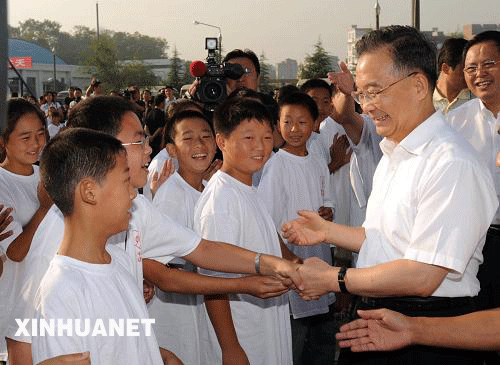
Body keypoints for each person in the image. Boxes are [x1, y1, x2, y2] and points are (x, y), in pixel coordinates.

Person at [8, 96, 301, 364]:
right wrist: (243, 283)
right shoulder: (57, 244)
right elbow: (23, 338)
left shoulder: (135, 210)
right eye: (138, 140)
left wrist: (150, 351)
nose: (150, 148)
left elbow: (201, 250)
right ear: (101, 149)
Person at [281, 25, 498, 365]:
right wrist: (327, 232)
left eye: (374, 92)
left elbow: (424, 275)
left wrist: (333, 279)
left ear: (417, 86)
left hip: (428, 330)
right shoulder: (395, 153)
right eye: (363, 95)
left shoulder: (452, 163)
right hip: (379, 315)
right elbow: (387, 239)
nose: (367, 106)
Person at [149, 109, 288, 364]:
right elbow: (186, 269)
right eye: (188, 139)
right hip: (190, 318)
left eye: (205, 136)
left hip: (228, 316)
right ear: (171, 149)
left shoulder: (212, 188)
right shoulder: (186, 196)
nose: (200, 144)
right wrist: (230, 346)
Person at [32, 128, 168, 364]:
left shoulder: (120, 262)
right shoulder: (63, 292)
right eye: (126, 181)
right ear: (89, 192)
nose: (133, 194)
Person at [194, 97, 295, 365]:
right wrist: (230, 348)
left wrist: (297, 265)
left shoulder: (248, 187)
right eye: (248, 138)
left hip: (265, 325)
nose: (260, 147)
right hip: (243, 335)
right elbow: (211, 279)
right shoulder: (221, 201)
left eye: (266, 137)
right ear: (222, 141)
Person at [257, 92, 337, 365]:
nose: (294, 129)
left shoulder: (316, 160)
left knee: (322, 330)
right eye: (287, 121)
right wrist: (291, 260)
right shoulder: (275, 165)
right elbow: (267, 222)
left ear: (315, 123)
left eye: (302, 122)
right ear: (277, 124)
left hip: (319, 253)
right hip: (292, 256)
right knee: (296, 335)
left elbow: (326, 200)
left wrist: (327, 211)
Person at [446, 31, 500, 315]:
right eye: (471, 68)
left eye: (489, 64)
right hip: (476, 243)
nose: (479, 73)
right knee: (475, 324)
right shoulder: (454, 124)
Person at [0, 98, 51, 365]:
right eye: (25, 137)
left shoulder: (48, 175)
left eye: (41, 134)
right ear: (3, 141)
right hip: (15, 308)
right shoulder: (2, 183)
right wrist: (44, 209)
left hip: (49, 306)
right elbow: (15, 252)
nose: (36, 144)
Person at [433, 37, 474, 114]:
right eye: (465, 69)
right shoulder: (423, 99)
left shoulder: (479, 101)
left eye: (472, 68)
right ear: (445, 68)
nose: (470, 74)